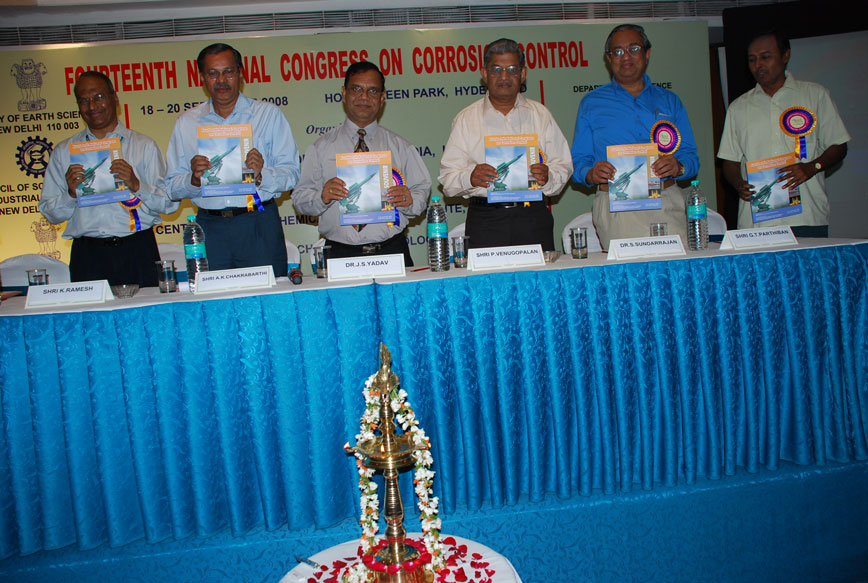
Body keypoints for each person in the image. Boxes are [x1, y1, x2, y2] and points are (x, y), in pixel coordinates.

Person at [166, 43, 299, 276]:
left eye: (228, 72)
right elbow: (171, 187)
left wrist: (261, 175)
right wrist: (193, 180)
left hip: (258, 223)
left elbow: (292, 174)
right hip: (210, 229)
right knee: (214, 297)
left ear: (240, 74)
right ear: (202, 78)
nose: (221, 80)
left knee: (266, 296)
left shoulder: (267, 115)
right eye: (213, 73)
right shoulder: (186, 124)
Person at [39, 71, 178, 286]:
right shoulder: (64, 152)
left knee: (145, 308)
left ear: (115, 98)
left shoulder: (144, 146)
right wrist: (71, 194)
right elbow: (50, 214)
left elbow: (169, 204)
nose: (92, 106)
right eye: (83, 100)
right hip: (88, 255)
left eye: (99, 97)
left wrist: (137, 185)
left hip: (137, 250)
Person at [571, 24, 699, 250]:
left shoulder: (670, 101)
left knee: (675, 270)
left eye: (634, 49)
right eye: (618, 51)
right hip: (617, 207)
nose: (626, 56)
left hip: (666, 202)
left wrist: (678, 167)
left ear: (647, 54)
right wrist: (591, 173)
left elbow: (690, 157)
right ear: (609, 59)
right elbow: (579, 162)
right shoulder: (591, 103)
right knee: (626, 272)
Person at [438, 38, 572, 251]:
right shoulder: (466, 119)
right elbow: (447, 179)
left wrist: (549, 177)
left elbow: (563, 165)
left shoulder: (540, 115)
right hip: (486, 220)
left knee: (538, 274)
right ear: (484, 74)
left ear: (523, 73)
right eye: (496, 70)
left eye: (512, 69)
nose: (504, 77)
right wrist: (470, 177)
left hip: (533, 217)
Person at [291, 61, 429, 266]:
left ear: (382, 97)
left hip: (392, 250)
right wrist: (322, 196)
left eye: (372, 91)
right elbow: (299, 200)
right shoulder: (321, 147)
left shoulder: (401, 147)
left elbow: (422, 191)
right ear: (344, 93)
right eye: (356, 89)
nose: (364, 97)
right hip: (340, 254)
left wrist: (409, 200)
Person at [718, 30, 849, 237]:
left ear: (785, 55)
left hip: (806, 216)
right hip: (757, 221)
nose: (758, 65)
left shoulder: (815, 95)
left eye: (765, 57)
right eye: (752, 59)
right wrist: (738, 183)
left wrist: (812, 167)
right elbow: (730, 161)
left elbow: (839, 145)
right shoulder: (738, 107)